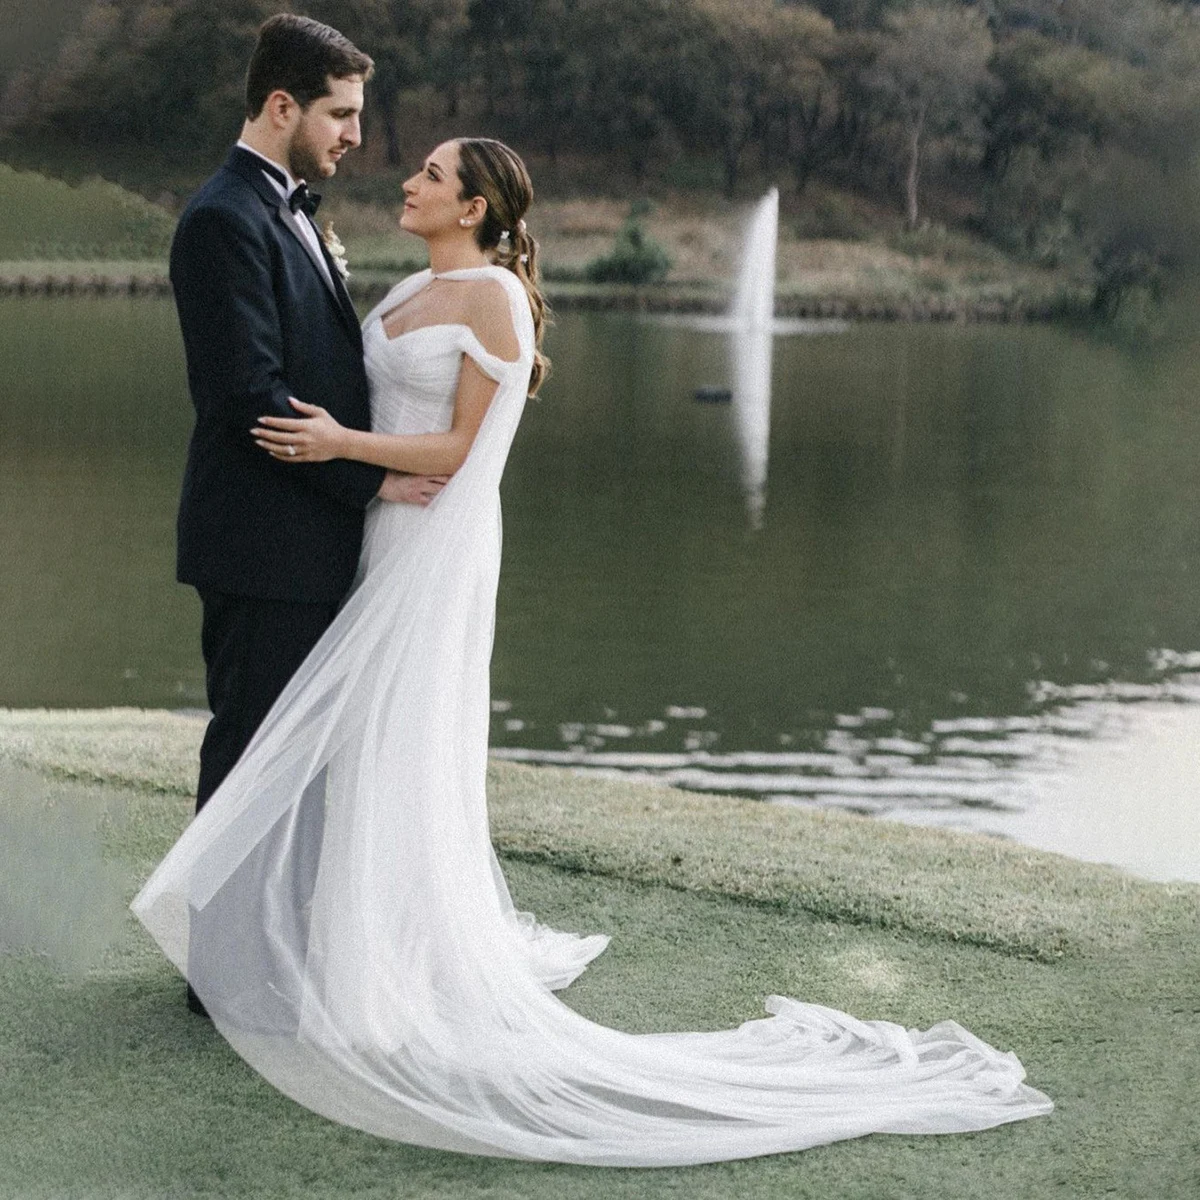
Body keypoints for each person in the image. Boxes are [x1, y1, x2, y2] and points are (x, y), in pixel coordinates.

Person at [134, 134, 1053, 1165]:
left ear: (476, 206)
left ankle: (378, 972)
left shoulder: (494, 301)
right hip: (372, 536)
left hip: (431, 541)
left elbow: (463, 450)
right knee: (357, 750)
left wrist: (347, 451)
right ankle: (326, 950)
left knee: (401, 740)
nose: (408, 179)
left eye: (432, 175)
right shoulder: (406, 286)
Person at [167, 14, 445, 1014]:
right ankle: (225, 982)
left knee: (296, 763)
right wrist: (373, 477)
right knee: (249, 756)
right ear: (281, 106)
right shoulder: (222, 219)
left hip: (309, 542)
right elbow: (248, 396)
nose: (355, 135)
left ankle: (276, 956)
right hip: (260, 542)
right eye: (340, 113)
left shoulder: (291, 209)